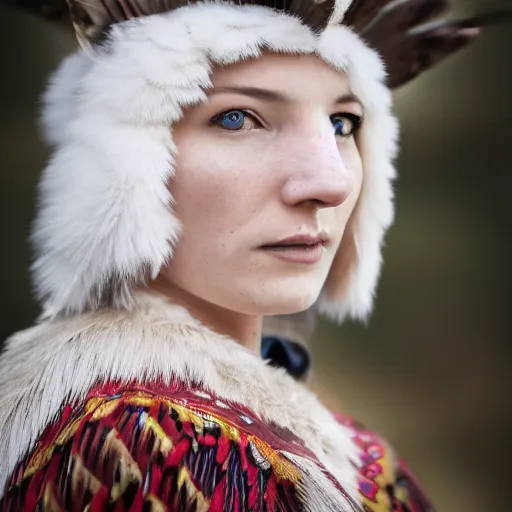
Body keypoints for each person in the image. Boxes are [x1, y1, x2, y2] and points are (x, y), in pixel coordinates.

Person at [0, 0, 501, 510]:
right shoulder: (150, 443)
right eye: (237, 118)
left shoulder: (343, 445)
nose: (330, 181)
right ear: (122, 174)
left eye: (343, 124)